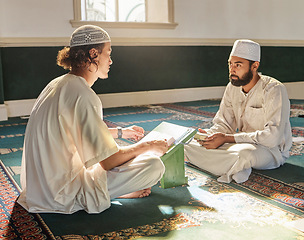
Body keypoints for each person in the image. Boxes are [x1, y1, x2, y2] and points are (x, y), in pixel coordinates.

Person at [17, 25, 168, 214]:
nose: (111, 61)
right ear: (94, 54)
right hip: (62, 194)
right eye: (108, 53)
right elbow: (109, 161)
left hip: (38, 190)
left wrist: (121, 132)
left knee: (104, 156)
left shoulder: (58, 84)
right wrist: (148, 146)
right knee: (153, 165)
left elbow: (72, 131)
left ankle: (108, 192)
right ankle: (102, 195)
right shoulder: (83, 94)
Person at [185, 39, 292, 183]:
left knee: (244, 154)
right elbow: (224, 124)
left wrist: (227, 138)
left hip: (270, 151)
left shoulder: (274, 89)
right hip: (241, 143)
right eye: (230, 64)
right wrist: (210, 136)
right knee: (189, 143)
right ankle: (234, 166)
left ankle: (233, 164)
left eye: (238, 65)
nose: (232, 69)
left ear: (254, 66)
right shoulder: (232, 87)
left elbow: (273, 138)